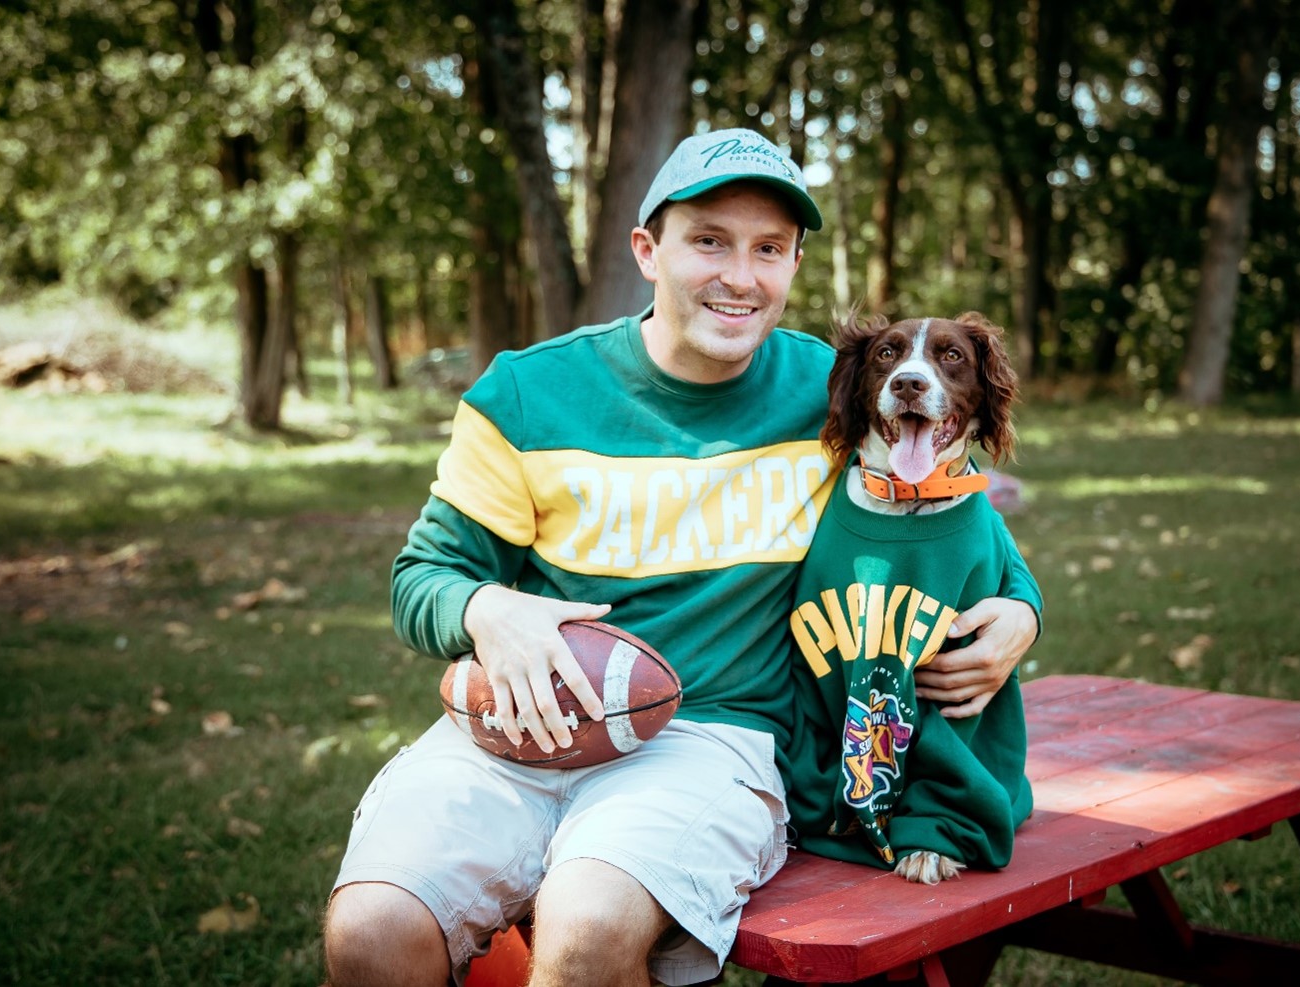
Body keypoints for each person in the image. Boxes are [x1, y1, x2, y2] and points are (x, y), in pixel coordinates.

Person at [322, 127, 1040, 987]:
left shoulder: (836, 390)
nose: (740, 274)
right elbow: (420, 579)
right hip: (521, 729)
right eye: (709, 240)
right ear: (647, 250)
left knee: (586, 932)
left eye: (768, 249)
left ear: (793, 265)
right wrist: (488, 609)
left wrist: (1023, 610)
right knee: (370, 933)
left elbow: (954, 506)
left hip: (714, 738)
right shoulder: (526, 392)